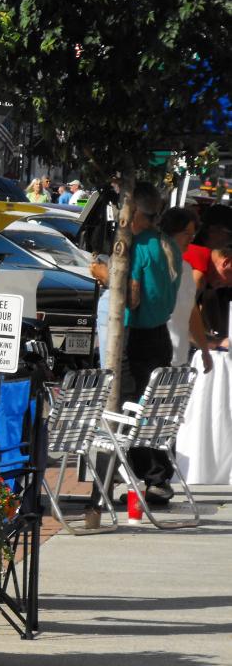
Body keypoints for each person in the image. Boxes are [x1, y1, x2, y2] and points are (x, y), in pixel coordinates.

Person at [121, 182, 183, 502]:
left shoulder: (139, 246)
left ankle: (149, 476)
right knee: (157, 408)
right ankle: (160, 478)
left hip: (137, 337)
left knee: (133, 409)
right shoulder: (168, 244)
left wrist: (106, 275)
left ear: (134, 212)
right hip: (160, 334)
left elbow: (132, 298)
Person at [160, 206, 211, 373]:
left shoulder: (187, 269)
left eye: (192, 234)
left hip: (179, 358)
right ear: (170, 232)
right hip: (156, 355)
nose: (190, 239)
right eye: (186, 234)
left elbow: (192, 312)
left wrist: (204, 350)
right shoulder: (156, 265)